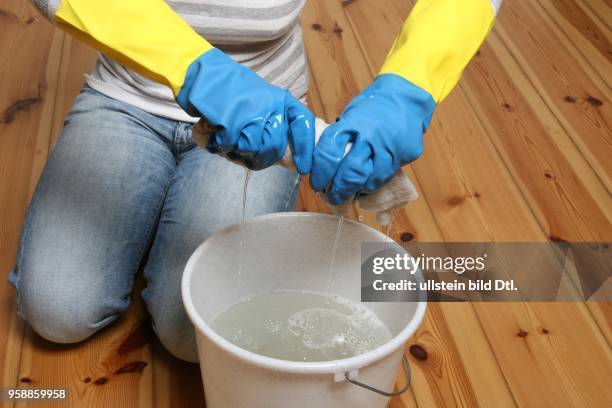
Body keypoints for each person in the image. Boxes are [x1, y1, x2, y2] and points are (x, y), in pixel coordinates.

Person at [10, 0, 502, 362]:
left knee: (192, 335)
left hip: (266, 108)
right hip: (129, 92)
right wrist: (192, 69)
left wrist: (409, 86)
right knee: (58, 310)